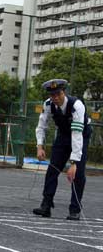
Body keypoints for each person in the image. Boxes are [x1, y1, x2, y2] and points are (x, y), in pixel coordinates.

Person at [33, 79, 92, 221]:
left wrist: (73, 163)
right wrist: (40, 146)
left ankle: (75, 210)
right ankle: (46, 206)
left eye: (58, 94)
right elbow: (41, 126)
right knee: (52, 170)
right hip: (63, 136)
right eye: (52, 95)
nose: (55, 98)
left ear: (63, 92)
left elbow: (77, 135)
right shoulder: (48, 105)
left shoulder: (77, 105)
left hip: (81, 136)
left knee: (78, 174)